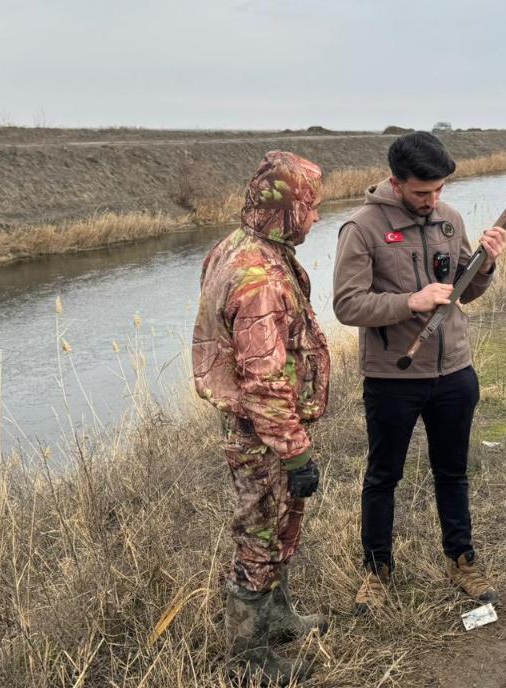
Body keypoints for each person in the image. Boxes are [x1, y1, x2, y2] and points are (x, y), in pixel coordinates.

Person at [332, 131, 506, 615]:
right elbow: (347, 305)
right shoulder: (362, 227)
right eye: (421, 193)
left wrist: (487, 265)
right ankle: (376, 570)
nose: (432, 202)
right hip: (392, 378)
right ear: (395, 182)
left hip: (454, 373)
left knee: (452, 471)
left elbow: (465, 292)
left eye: (439, 191)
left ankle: (461, 560)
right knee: (383, 476)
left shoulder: (450, 221)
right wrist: (410, 301)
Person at [192, 150, 330, 685]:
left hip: (261, 427)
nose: (316, 217)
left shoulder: (240, 245)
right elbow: (265, 381)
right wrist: (296, 451)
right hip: (262, 433)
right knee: (260, 532)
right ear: (287, 207)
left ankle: (279, 616)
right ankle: (251, 658)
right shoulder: (259, 278)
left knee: (278, 524)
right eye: (311, 207)